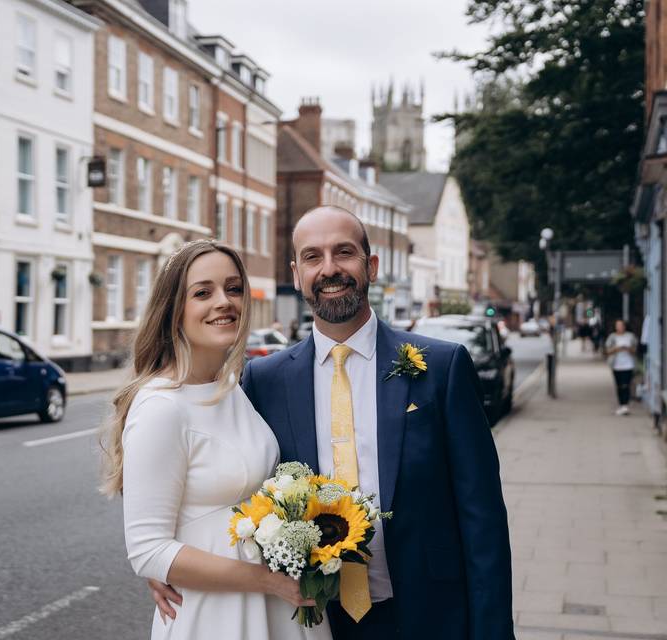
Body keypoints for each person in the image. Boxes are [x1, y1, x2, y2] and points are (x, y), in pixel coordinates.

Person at [150, 207, 514, 640]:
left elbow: (483, 517)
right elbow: (231, 483)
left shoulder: (442, 366)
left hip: (426, 614)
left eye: (344, 252)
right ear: (297, 273)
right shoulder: (264, 380)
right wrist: (167, 559)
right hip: (306, 619)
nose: (329, 269)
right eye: (312, 257)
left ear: (371, 265)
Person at [102, 239, 331, 639]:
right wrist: (269, 581)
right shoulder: (161, 408)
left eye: (234, 288)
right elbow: (148, 550)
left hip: (277, 607)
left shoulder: (232, 388)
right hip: (216, 615)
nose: (223, 302)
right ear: (174, 310)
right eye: (203, 292)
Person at [605, 319, 637, 416]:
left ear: (624, 326)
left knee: (626, 385)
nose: (619, 327)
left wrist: (627, 349)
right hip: (616, 365)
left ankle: (625, 405)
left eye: (621, 325)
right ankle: (621, 405)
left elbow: (635, 349)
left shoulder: (630, 336)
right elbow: (607, 350)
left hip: (628, 364)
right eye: (617, 325)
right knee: (619, 385)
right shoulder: (612, 337)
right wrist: (616, 349)